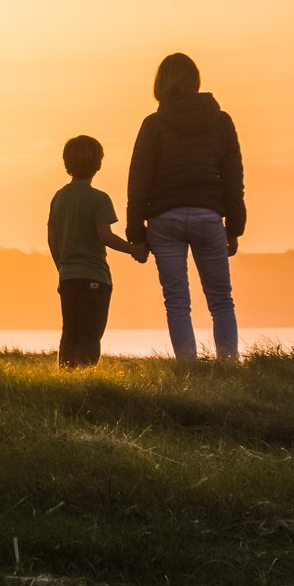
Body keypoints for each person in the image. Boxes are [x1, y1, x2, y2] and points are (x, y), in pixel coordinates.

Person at [126, 52, 246, 362]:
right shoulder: (221, 121)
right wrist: (234, 229)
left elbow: (138, 180)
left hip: (164, 218)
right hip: (208, 215)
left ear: (160, 84)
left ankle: (188, 368)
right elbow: (233, 178)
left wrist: (135, 232)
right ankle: (229, 365)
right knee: (221, 300)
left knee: (177, 301)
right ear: (195, 81)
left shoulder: (153, 125)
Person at [47, 135, 145, 367]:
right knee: (90, 333)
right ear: (98, 164)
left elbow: (52, 239)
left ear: (66, 163)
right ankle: (86, 378)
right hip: (95, 276)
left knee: (70, 331)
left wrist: (62, 267)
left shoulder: (59, 198)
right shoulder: (99, 199)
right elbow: (105, 236)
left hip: (68, 275)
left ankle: (66, 376)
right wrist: (134, 249)